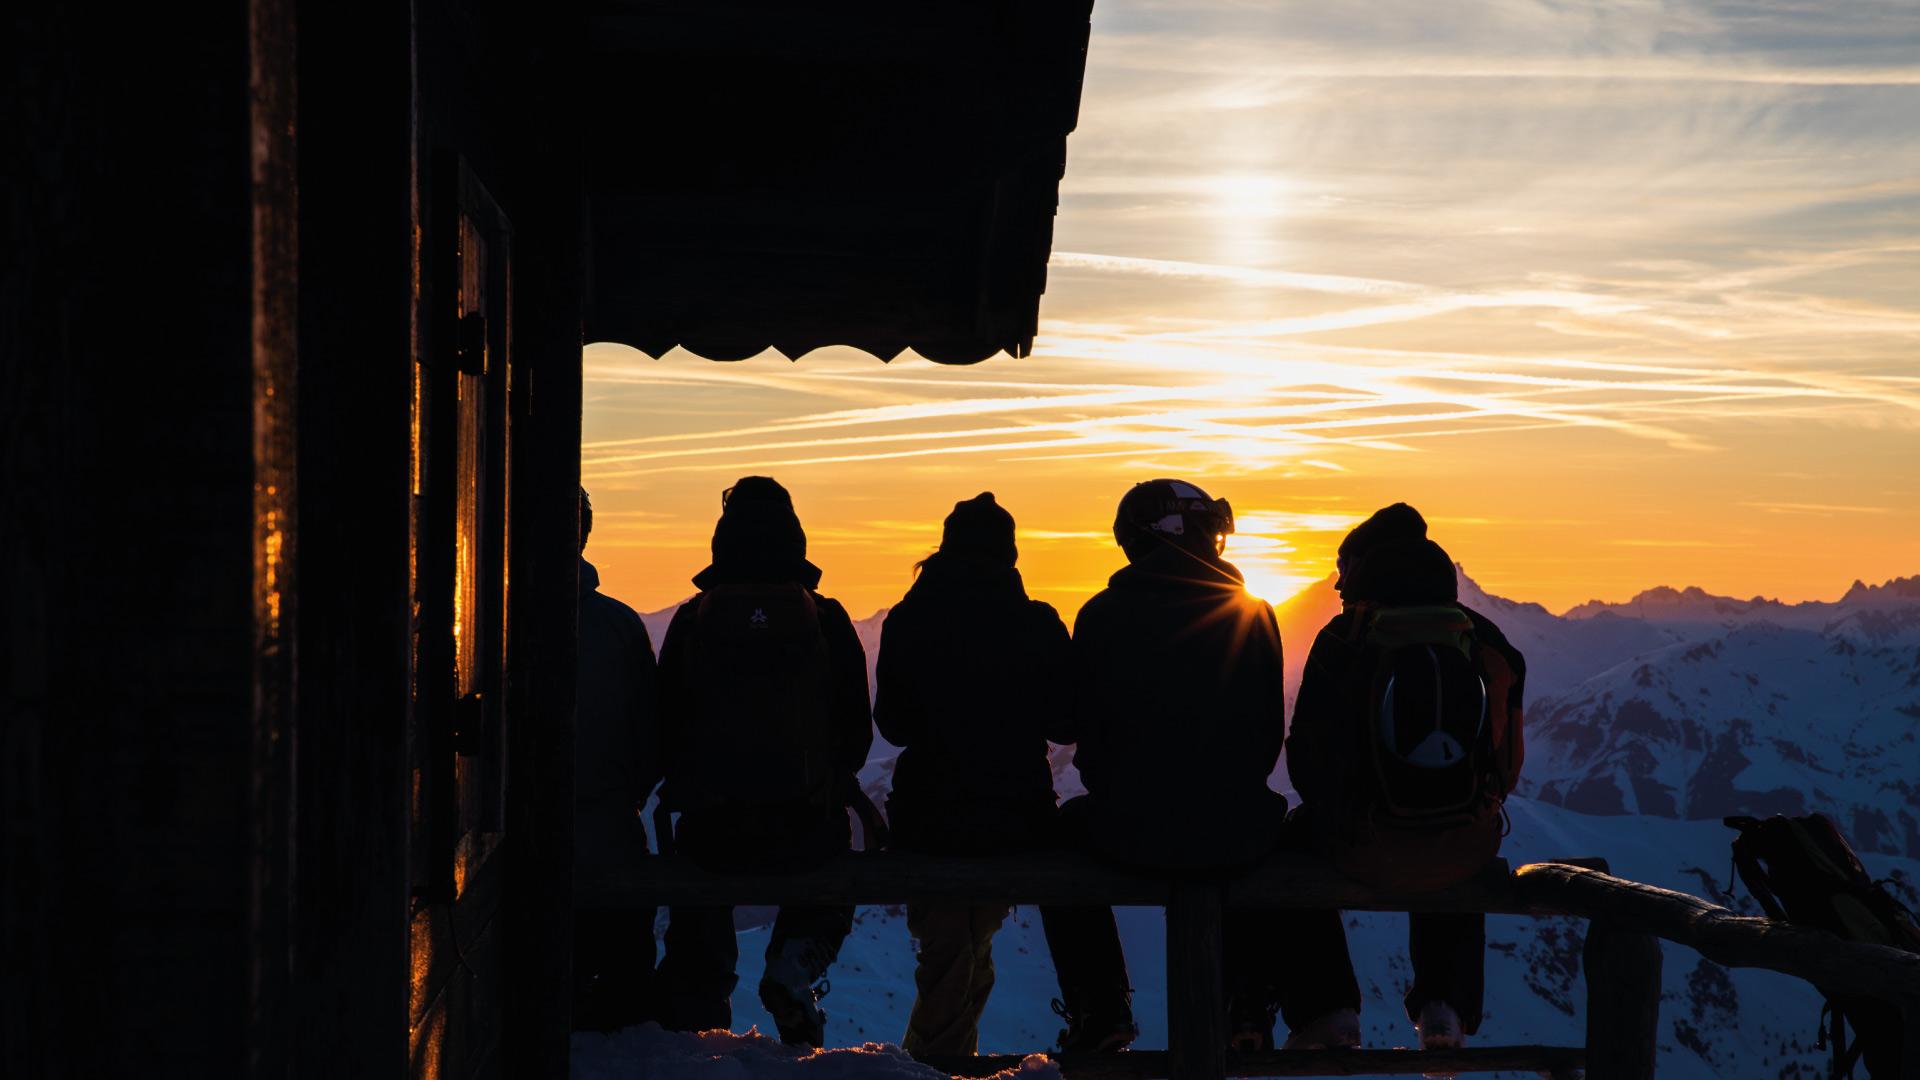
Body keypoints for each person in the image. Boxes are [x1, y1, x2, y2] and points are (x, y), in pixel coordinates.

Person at [1058, 478, 1360, 1053]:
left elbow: (1077, 728)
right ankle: (1247, 1005)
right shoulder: (1255, 613)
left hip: (1128, 830)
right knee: (1256, 830)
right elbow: (1266, 731)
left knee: (1064, 826)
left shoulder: (1100, 614)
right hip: (1240, 830)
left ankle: (1099, 1007)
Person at [1287, 503, 1527, 1053]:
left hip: (1362, 841)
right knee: (1453, 837)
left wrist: (1350, 809)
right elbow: (1506, 766)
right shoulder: (1486, 640)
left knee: (1284, 846)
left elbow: (1306, 760)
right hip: (1465, 844)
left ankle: (1328, 1011)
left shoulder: (1343, 639)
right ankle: (1446, 1007)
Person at [874, 493, 1108, 1056]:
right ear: (1010, 555)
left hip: (928, 818)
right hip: (1017, 818)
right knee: (968, 948)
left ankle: (936, 1063)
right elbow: (1066, 722)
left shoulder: (911, 619)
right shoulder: (1036, 623)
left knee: (951, 950)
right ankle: (942, 1060)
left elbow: (895, 724)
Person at [653, 477, 873, 1046]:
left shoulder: (692, 618)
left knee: (699, 897)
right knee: (834, 863)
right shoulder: (824, 617)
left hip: (712, 835)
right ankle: (796, 957)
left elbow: (661, 727)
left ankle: (695, 1019)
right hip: (807, 832)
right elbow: (856, 733)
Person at [572, 486, 662, 1032]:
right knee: (621, 976)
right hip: (607, 826)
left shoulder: (482, 618)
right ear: (585, 532)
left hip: (509, 836)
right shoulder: (621, 625)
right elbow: (651, 733)